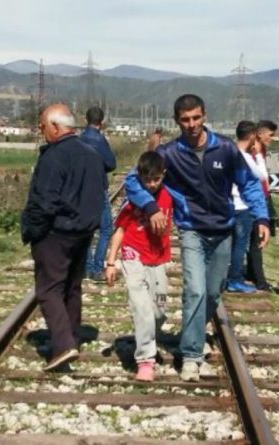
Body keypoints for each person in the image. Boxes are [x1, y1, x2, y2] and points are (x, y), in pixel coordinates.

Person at [124, 94, 270, 382]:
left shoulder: (226, 149)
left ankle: (193, 335)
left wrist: (262, 217)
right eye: (185, 119)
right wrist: (151, 206)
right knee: (195, 291)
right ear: (177, 121)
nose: (191, 124)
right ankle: (191, 354)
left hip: (223, 229)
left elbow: (250, 183)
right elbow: (133, 179)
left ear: (204, 117)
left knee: (213, 293)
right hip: (191, 229)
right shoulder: (170, 153)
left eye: (196, 118)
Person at [21, 104, 106, 371]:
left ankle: (63, 344)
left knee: (48, 289)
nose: (41, 131)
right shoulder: (92, 154)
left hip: (55, 232)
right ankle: (72, 337)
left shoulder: (54, 156)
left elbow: (43, 200)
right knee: (72, 287)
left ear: (56, 126)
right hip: (83, 232)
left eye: (43, 126)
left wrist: (32, 230)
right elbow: (99, 193)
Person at [104, 151, 172, 382]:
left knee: (160, 310)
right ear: (140, 178)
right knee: (142, 308)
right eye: (147, 180)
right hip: (133, 257)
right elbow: (120, 231)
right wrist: (111, 262)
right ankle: (145, 360)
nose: (152, 185)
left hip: (159, 259)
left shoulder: (170, 196)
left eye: (156, 179)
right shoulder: (134, 201)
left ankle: (149, 336)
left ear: (164, 175)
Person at [80, 106, 117, 282]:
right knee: (106, 228)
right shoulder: (100, 140)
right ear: (101, 123)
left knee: (86, 228)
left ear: (86, 120)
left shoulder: (79, 139)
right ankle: (96, 267)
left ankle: (86, 267)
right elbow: (111, 163)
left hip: (80, 189)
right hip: (98, 188)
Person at [226, 121, 262, 294]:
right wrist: (259, 155)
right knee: (240, 245)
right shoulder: (247, 158)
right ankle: (235, 279)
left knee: (226, 244)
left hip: (226, 205)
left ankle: (222, 276)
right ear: (253, 135)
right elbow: (261, 178)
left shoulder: (227, 153)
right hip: (242, 206)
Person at [245, 120, 279, 291]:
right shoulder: (252, 151)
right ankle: (260, 279)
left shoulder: (262, 150)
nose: (272, 138)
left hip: (263, 196)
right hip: (256, 198)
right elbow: (260, 176)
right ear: (260, 134)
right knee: (257, 238)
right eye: (270, 135)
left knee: (257, 238)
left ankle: (252, 273)